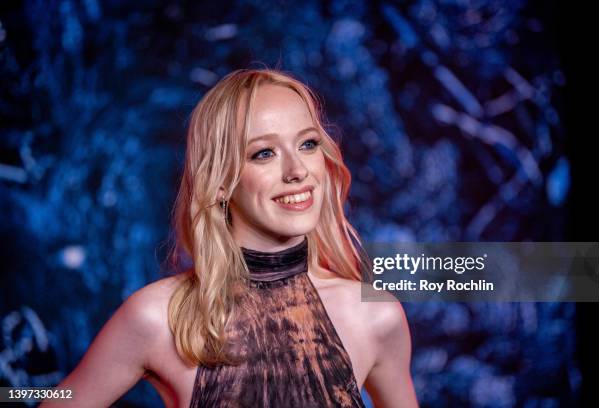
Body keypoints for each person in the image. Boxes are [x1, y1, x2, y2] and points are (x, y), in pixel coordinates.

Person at [41, 68, 419, 407]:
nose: (297, 171)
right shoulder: (157, 318)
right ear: (221, 183)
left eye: (308, 144)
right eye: (264, 153)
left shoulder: (376, 316)